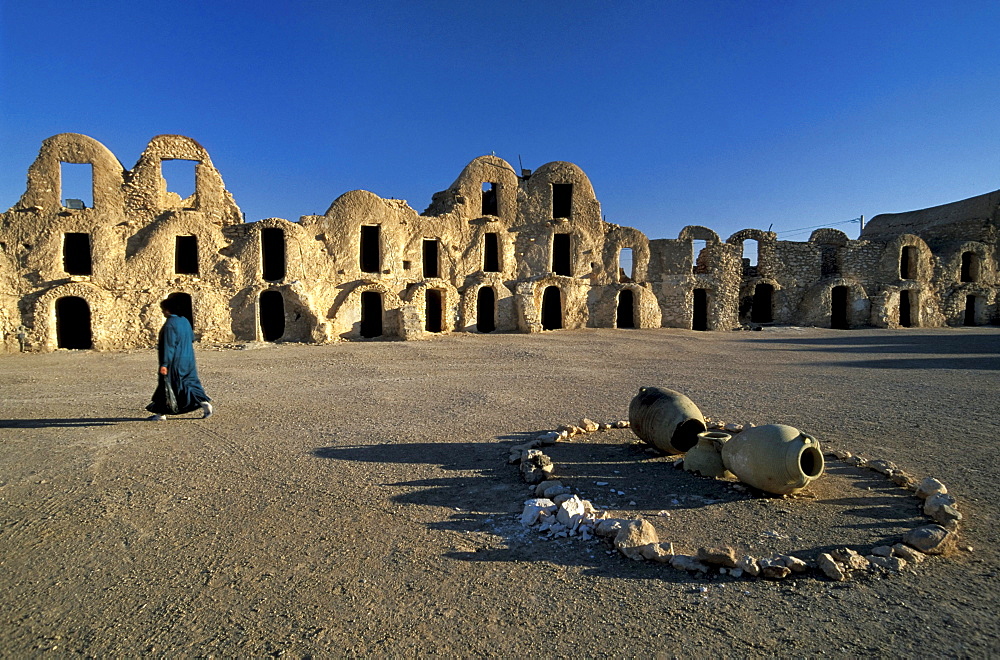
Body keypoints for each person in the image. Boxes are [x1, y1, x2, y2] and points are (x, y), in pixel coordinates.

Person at [146, 297, 213, 420]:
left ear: (168, 310)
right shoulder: (185, 321)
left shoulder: (169, 325)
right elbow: (191, 338)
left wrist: (164, 364)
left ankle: (160, 413)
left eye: (163, 310)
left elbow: (168, 346)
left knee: (167, 384)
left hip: (175, 360)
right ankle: (204, 403)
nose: (162, 312)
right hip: (188, 358)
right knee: (190, 382)